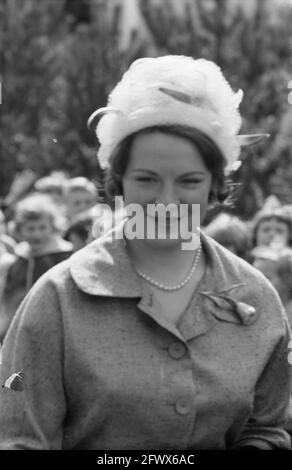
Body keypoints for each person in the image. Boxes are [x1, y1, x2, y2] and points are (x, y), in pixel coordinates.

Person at [0, 56, 291, 450]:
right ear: (119, 182)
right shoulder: (59, 299)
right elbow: (19, 439)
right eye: (146, 179)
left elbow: (270, 427)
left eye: (189, 181)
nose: (166, 201)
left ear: (214, 187)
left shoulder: (254, 297)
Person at [0, 194, 72, 342]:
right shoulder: (18, 259)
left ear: (53, 226)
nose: (37, 234)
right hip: (17, 331)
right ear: (20, 229)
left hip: (53, 332)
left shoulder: (64, 257)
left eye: (42, 227)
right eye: (30, 229)